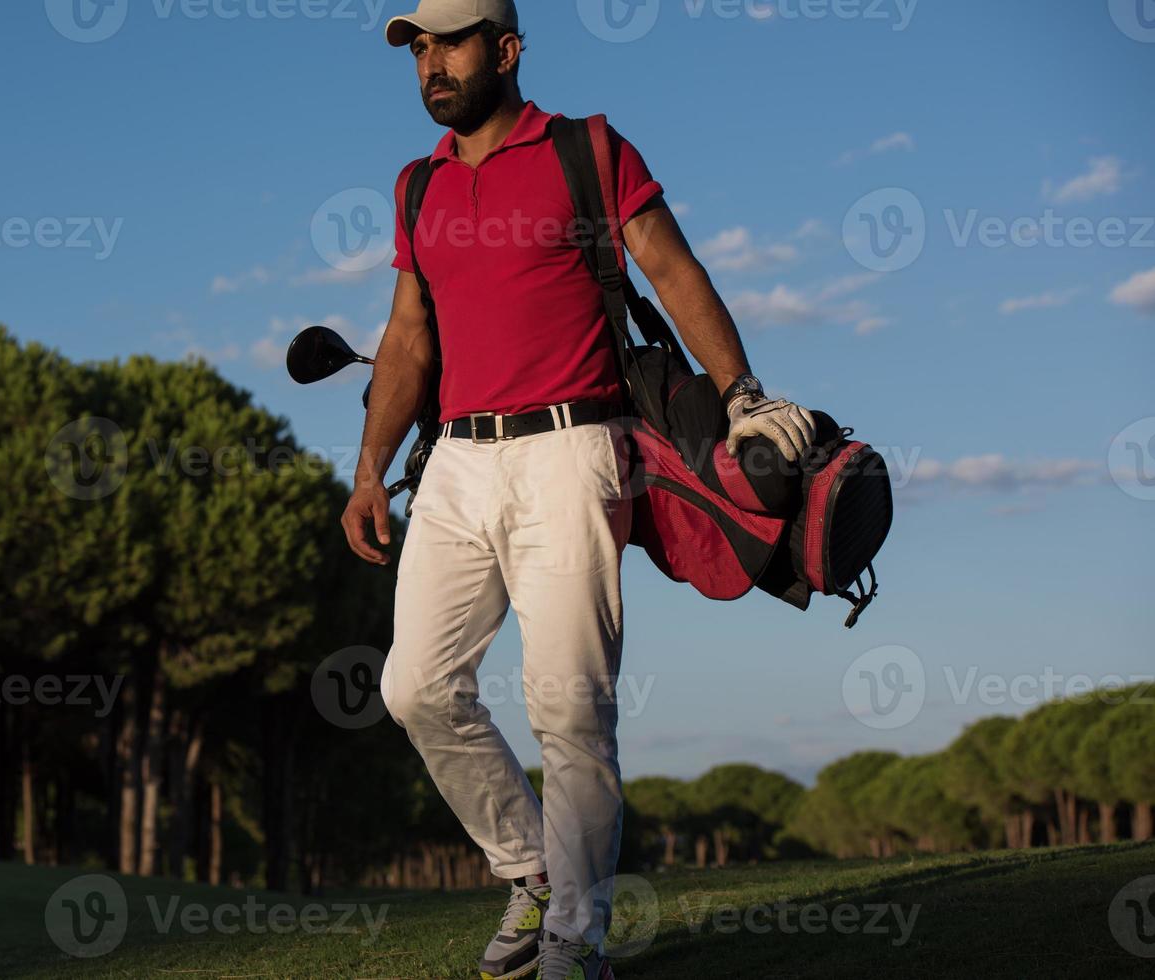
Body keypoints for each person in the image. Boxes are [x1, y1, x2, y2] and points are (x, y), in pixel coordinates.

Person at [339, 2, 817, 977]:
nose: (432, 62)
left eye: (451, 40)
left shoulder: (586, 151)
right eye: (418, 48)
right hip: (457, 462)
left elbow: (672, 271)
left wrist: (739, 393)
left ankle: (572, 941)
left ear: (506, 49)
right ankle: (531, 870)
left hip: (572, 448)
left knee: (568, 706)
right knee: (411, 686)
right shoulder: (414, 187)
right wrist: (365, 472)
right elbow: (406, 336)